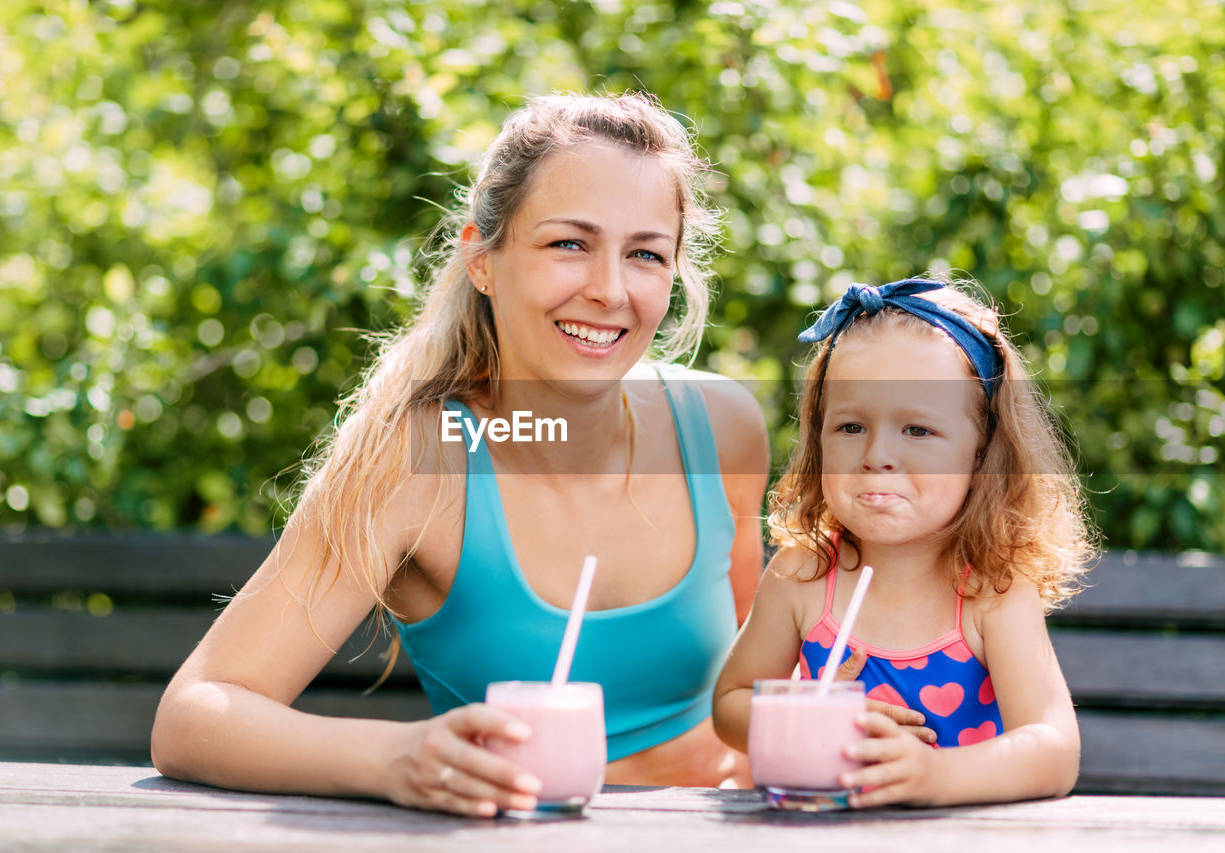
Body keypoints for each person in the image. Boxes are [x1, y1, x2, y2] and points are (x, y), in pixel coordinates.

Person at [151, 92, 775, 818]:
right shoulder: (419, 459)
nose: (609, 290)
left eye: (644, 253)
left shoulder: (722, 426)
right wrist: (394, 756)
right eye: (568, 243)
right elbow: (195, 713)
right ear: (483, 258)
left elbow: (751, 690)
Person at [712, 278, 1097, 807]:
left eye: (917, 430)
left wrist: (935, 776)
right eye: (850, 427)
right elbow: (729, 707)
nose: (877, 455)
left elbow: (1053, 751)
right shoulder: (803, 574)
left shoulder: (992, 592)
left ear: (982, 455)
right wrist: (799, 716)